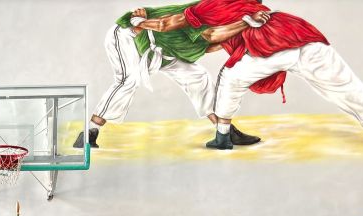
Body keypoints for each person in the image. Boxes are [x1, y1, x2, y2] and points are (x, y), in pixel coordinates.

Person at [139, 0, 363, 151]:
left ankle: (222, 137)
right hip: (306, 38)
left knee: (230, 79)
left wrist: (139, 22)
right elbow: (215, 43)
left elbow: (200, 32)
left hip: (271, 46)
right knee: (348, 87)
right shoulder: (248, 4)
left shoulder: (204, 9)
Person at [74, 4, 260, 149]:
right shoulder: (206, 11)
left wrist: (244, 31)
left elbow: (208, 45)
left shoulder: (228, 24)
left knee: (199, 76)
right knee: (128, 80)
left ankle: (224, 133)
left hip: (162, 51)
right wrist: (140, 22)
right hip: (128, 36)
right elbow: (171, 26)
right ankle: (89, 132)